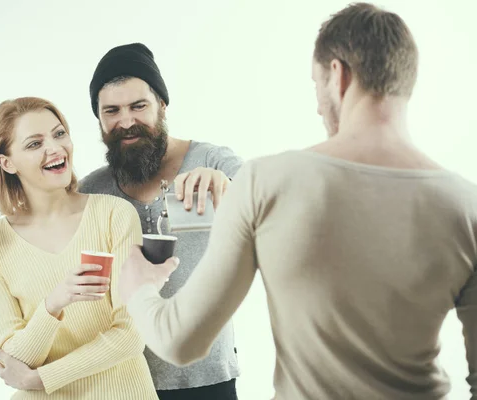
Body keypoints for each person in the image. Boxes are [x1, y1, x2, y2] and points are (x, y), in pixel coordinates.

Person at [118, 3, 477, 400]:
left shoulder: (267, 182)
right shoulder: (466, 204)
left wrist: (139, 286)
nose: (318, 104)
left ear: (338, 75)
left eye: (316, 85)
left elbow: (180, 341)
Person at [0, 43, 242, 399]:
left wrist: (227, 186)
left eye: (139, 106)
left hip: (201, 372)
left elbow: (268, 200)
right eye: (112, 111)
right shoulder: (96, 189)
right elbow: (47, 209)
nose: (126, 121)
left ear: (162, 106)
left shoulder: (210, 161)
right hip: (123, 376)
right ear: (99, 119)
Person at [0, 96, 158, 399]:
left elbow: (131, 334)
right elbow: (14, 360)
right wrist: (54, 302)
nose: (55, 148)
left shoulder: (114, 215)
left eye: (59, 134)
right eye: (34, 144)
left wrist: (43, 378)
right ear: (7, 163)